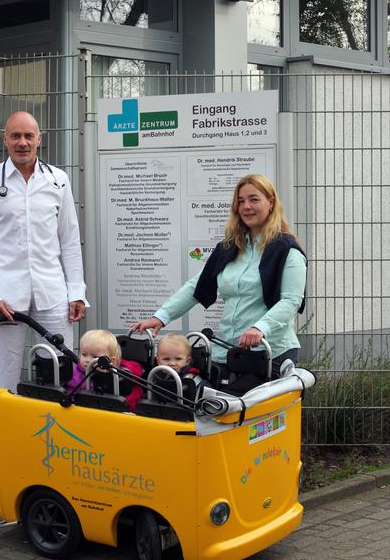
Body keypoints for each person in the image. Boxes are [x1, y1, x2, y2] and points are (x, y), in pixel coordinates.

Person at [132, 174, 307, 382]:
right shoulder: (228, 248)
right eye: (241, 201)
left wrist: (261, 327)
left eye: (254, 199)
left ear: (271, 203)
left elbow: (291, 301)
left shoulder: (287, 250)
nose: (246, 207)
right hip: (225, 352)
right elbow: (196, 286)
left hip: (271, 353)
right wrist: (161, 316)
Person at [0, 110, 87, 395]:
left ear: (39, 139)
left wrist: (76, 291)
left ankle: (54, 440)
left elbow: (70, 239)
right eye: (16, 136)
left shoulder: (58, 180)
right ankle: (6, 441)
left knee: (58, 375)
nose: (22, 142)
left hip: (53, 294)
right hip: (5, 299)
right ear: (5, 140)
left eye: (28, 136)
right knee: (4, 379)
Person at [66, 329, 144, 412]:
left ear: (112, 361)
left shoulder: (121, 379)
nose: (88, 360)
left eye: (95, 357)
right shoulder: (73, 373)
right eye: (84, 354)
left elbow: (130, 404)